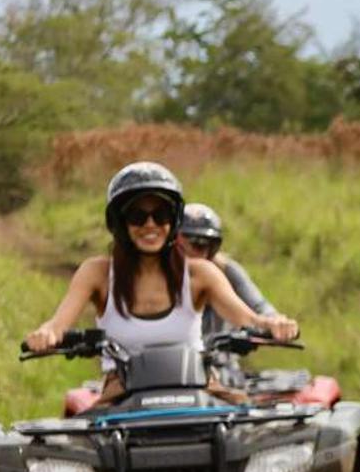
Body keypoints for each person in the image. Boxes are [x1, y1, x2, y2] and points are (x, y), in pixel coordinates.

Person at [24, 162, 298, 403]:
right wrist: (46, 335)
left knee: (248, 435)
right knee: (82, 450)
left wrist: (271, 324)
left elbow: (248, 318)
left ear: (174, 222)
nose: (150, 224)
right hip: (120, 393)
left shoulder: (200, 274)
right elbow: (57, 325)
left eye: (161, 215)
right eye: (137, 216)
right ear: (120, 223)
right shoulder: (96, 273)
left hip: (201, 385)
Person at [176, 203, 277, 341]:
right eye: (195, 243)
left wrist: (275, 323)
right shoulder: (154, 277)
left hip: (220, 358)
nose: (200, 252)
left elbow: (259, 308)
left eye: (205, 245)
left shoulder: (224, 271)